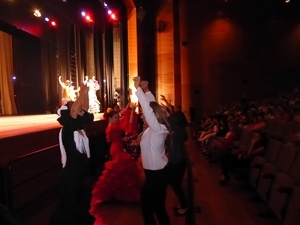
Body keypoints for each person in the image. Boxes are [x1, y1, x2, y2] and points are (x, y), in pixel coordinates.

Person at [50, 83, 95, 225]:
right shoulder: (69, 128)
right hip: (70, 174)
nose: (81, 110)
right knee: (69, 208)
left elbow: (84, 108)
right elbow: (74, 112)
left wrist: (86, 93)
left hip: (79, 173)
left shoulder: (79, 127)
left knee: (80, 203)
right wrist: (81, 93)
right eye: (77, 108)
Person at [89, 109, 143, 215]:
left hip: (118, 148)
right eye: (115, 118)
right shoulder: (112, 128)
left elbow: (124, 130)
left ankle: (118, 194)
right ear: (110, 118)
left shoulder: (114, 126)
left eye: (117, 117)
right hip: (116, 149)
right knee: (118, 169)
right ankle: (116, 194)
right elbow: (125, 129)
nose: (117, 119)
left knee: (120, 170)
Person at [134, 76, 172, 225]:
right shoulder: (155, 128)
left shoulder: (157, 129)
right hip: (155, 175)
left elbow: (149, 109)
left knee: (152, 209)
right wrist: (146, 89)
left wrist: (138, 88)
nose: (144, 114)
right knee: (155, 208)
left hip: (157, 176)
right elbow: (152, 106)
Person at [161, 95, 189, 216]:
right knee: (174, 183)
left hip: (177, 160)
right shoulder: (177, 128)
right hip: (176, 159)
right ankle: (183, 204)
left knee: (175, 184)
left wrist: (167, 109)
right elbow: (171, 117)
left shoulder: (176, 130)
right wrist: (167, 105)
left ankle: (184, 206)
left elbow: (170, 118)